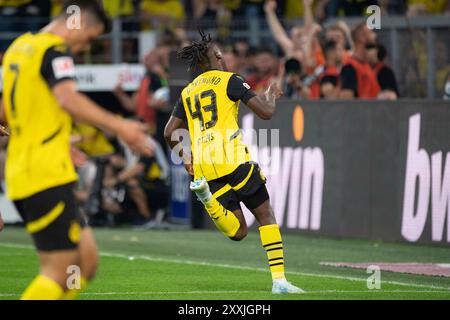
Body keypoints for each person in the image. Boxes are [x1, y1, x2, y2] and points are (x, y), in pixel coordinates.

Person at [0, 0, 153, 300]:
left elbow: (6, 109)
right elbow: (66, 99)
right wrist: (120, 127)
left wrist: (56, 139)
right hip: (41, 173)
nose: (85, 46)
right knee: (58, 272)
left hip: (36, 168)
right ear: (79, 22)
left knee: (85, 264)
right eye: (91, 37)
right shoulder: (54, 50)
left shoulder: (20, 47)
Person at [164, 30, 304, 294]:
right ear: (217, 56)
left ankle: (206, 198)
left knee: (238, 231)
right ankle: (280, 282)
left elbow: (169, 132)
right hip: (233, 159)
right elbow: (266, 113)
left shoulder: (187, 91)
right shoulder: (230, 80)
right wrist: (271, 94)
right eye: (221, 53)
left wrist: (186, 158)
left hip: (204, 165)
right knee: (265, 216)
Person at [338, 22, 380, 99]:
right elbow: (346, 98)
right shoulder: (350, 67)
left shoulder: (366, 64)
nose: (374, 36)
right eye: (370, 33)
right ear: (361, 37)